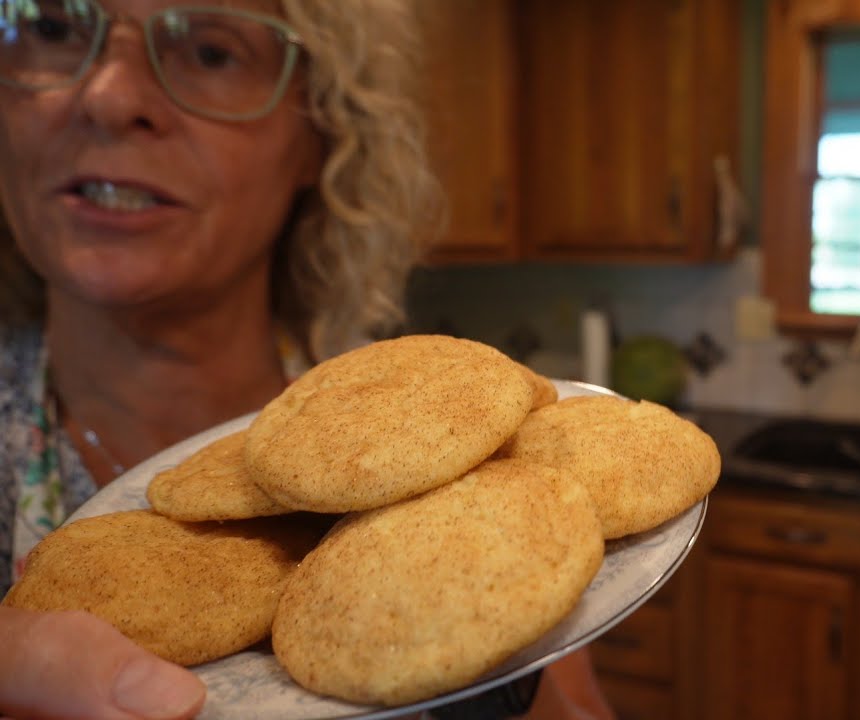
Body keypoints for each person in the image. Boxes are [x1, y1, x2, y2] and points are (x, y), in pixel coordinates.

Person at [0, 1, 616, 718]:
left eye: (211, 52)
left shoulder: (454, 458)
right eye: (53, 28)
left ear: (322, 135)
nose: (108, 96)